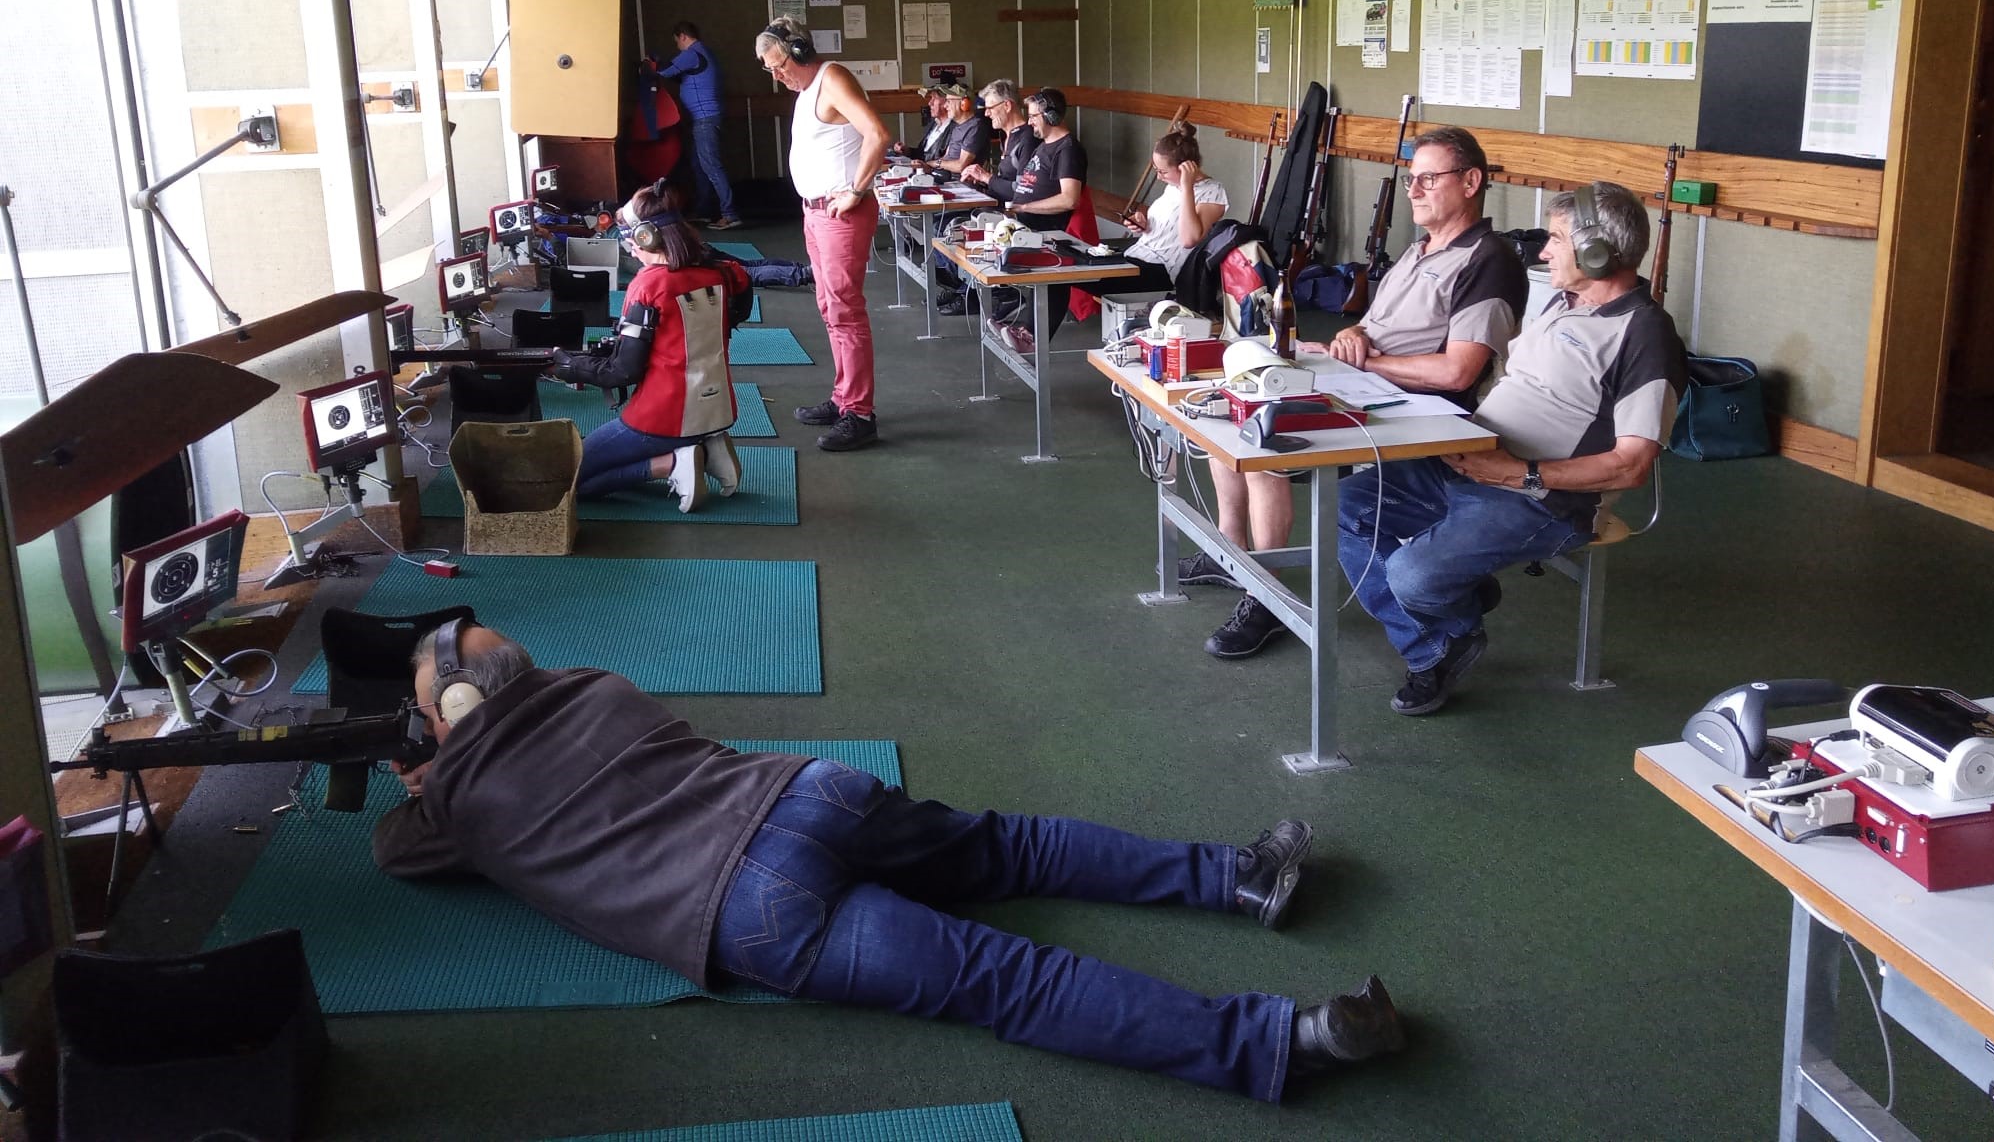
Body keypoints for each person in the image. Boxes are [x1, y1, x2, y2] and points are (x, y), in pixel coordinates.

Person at [374, 620, 1407, 1102]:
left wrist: (426, 779)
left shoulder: (458, 802)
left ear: (448, 714)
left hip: (744, 907)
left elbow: (397, 853)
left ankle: (1287, 1043)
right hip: (806, 798)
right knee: (1017, 848)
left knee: (1015, 983)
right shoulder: (594, 683)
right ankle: (1236, 875)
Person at [1334, 180, 1686, 716]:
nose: (1543, 252)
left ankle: (1442, 622)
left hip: (1541, 499)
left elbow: (1632, 465)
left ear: (1598, 250)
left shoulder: (1646, 335)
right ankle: (1444, 633)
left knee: (1411, 575)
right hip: (1471, 462)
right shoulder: (1565, 303)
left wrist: (1518, 473)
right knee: (1345, 505)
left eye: (1556, 239)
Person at [1196, 126, 1527, 660]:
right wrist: (1353, 335)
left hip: (1416, 410)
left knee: (1262, 441)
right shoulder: (1419, 250)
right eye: (1412, 179)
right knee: (1230, 406)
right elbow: (1370, 326)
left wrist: (1365, 359)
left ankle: (1266, 596)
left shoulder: (1487, 261)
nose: (1413, 190)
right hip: (1363, 382)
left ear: (1471, 182)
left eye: (1428, 179)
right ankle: (1232, 555)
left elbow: (1458, 373)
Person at [545, 181, 750, 512]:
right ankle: (704, 446)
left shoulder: (649, 285)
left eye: (629, 238)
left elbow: (622, 372)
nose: (629, 247)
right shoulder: (724, 273)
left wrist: (569, 366)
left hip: (663, 418)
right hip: (717, 410)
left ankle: (673, 463)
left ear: (645, 238)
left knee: (567, 482)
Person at [757, 17, 891, 452]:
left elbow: (878, 134)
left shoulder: (832, 79)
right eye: (770, 69)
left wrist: (856, 190)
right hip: (815, 212)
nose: (776, 76)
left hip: (840, 215)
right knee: (831, 308)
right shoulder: (806, 90)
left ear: (799, 52)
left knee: (845, 311)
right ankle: (844, 397)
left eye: (779, 66)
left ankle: (860, 415)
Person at [1042, 119, 1227, 340]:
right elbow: (1166, 229)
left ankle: (1030, 336)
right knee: (1062, 266)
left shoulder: (1212, 192)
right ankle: (1030, 334)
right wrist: (1144, 224)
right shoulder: (1173, 186)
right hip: (1137, 256)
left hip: (1161, 270)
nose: (1159, 177)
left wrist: (1187, 187)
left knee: (1063, 275)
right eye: (1156, 170)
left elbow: (1189, 239)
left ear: (1186, 168)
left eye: (1163, 171)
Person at [960, 87, 1086, 353]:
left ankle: (1030, 336)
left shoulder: (1067, 150)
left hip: (1048, 230)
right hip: (1022, 222)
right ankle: (1023, 327)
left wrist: (1025, 206)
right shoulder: (1043, 146)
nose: (1029, 122)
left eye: (1034, 116)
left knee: (1053, 281)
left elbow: (1069, 199)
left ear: (1051, 116)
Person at [935, 80, 1034, 316]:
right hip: (996, 206)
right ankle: (965, 288)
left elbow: (1021, 192)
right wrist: (982, 181)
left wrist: (986, 177)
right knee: (943, 224)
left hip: (1017, 216)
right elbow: (1004, 182)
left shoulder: (1027, 139)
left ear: (1007, 106)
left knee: (952, 227)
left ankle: (997, 293)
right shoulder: (1008, 136)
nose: (986, 114)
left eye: (990, 108)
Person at [649, 22, 738, 231]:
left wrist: (652, 63)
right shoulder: (704, 53)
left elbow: (666, 72)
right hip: (706, 118)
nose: (678, 47)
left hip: (705, 119)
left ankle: (730, 214)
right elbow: (681, 76)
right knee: (699, 166)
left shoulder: (693, 53)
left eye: (677, 42)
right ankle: (704, 211)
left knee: (711, 167)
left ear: (682, 36)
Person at [920, 82, 991, 176]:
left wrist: (935, 164)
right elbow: (946, 157)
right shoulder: (957, 126)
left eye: (949, 101)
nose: (945, 106)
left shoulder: (976, 127)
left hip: (959, 181)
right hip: (944, 176)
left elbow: (960, 166)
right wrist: (926, 165)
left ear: (964, 103)